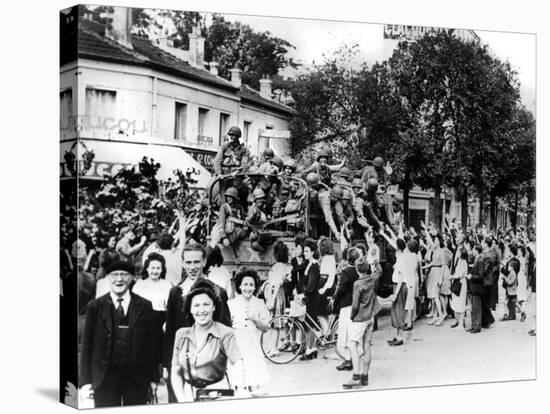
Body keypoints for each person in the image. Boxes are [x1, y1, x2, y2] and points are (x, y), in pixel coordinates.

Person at [79, 260, 160, 407]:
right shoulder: (95, 306)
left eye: (124, 274)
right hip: (104, 378)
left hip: (137, 379)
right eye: (114, 275)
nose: (119, 279)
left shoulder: (145, 306)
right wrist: (85, 382)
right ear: (107, 278)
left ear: (132, 278)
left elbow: (152, 346)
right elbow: (86, 346)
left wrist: (154, 379)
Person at [163, 242, 231, 402]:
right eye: (188, 262)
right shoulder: (175, 293)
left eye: (196, 262)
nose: (192, 267)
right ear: (182, 263)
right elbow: (170, 333)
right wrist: (167, 366)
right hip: (182, 365)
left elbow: (226, 332)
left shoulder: (218, 292)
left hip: (210, 367)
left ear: (204, 262)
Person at [170, 287, 246, 402]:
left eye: (206, 304)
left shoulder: (225, 333)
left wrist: (240, 388)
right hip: (188, 394)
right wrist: (182, 400)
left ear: (214, 307)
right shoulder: (181, 334)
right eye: (196, 305)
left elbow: (238, 363)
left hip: (217, 394)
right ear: (190, 309)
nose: (201, 310)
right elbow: (176, 371)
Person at [228, 269, 271, 395]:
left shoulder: (259, 303)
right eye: (245, 284)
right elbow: (226, 328)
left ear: (255, 287)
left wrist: (255, 318)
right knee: (239, 383)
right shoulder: (231, 304)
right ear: (239, 286)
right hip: (237, 346)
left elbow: (266, 327)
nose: (248, 288)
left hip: (253, 347)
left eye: (251, 285)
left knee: (254, 385)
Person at [343, 255, 381, 389]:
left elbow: (354, 305)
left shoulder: (358, 284)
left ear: (357, 270)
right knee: (367, 345)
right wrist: (375, 260)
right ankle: (365, 376)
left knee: (352, 344)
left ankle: (355, 376)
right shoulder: (372, 278)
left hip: (361, 318)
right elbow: (379, 271)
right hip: (371, 316)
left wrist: (352, 316)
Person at [132, 253, 172, 374]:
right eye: (152, 268)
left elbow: (170, 307)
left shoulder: (167, 285)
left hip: (160, 322)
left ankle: (157, 376)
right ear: (147, 268)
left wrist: (167, 323)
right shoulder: (139, 285)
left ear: (162, 269)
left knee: (157, 351)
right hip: (142, 322)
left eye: (158, 268)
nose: (155, 271)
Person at [332, 247, 361, 371]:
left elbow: (341, 289)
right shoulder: (359, 272)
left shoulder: (346, 272)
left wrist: (335, 299)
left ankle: (348, 360)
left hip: (346, 305)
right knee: (352, 333)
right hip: (356, 304)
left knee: (345, 333)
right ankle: (352, 359)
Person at [263, 240, 292, 356]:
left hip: (275, 295)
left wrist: (271, 300)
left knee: (274, 324)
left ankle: (273, 348)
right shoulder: (284, 267)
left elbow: (275, 284)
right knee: (276, 324)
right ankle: (272, 346)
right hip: (280, 295)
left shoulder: (277, 267)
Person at [297, 239, 321, 360]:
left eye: (306, 251)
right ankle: (310, 348)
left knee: (310, 324)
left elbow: (311, 284)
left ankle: (310, 349)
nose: (304, 253)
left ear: (312, 252)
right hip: (309, 298)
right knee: (308, 324)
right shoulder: (310, 264)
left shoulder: (314, 265)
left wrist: (304, 293)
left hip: (312, 298)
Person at [387, 239, 408, 346]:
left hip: (399, 286)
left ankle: (400, 337)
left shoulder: (401, 259)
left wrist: (396, 293)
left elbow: (400, 278)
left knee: (399, 311)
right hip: (399, 286)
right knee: (397, 310)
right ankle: (397, 335)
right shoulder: (401, 257)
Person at [317, 236, 337, 333]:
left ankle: (326, 333)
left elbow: (331, 276)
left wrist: (324, 288)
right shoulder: (329, 258)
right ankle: (328, 332)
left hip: (325, 286)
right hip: (326, 285)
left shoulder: (328, 259)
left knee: (321, 313)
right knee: (326, 313)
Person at [467, 245, 485, 334]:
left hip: (477, 287)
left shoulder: (480, 260)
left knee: (477, 307)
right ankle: (474, 325)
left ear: (477, 250)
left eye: (473, 249)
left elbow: (481, 275)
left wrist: (471, 276)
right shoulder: (477, 259)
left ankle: (477, 326)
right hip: (474, 287)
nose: (472, 251)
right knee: (473, 307)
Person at [450, 250, 469, 330]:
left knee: (461, 303)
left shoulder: (463, 262)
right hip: (457, 282)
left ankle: (461, 324)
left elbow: (460, 275)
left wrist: (452, 277)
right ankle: (458, 321)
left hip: (461, 283)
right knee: (456, 302)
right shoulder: (459, 261)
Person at [501, 245, 520, 321]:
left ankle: (510, 314)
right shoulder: (517, 261)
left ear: (511, 252)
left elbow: (505, 271)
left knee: (509, 299)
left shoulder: (510, 262)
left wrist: (502, 269)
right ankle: (512, 314)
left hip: (509, 281)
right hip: (514, 282)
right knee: (512, 300)